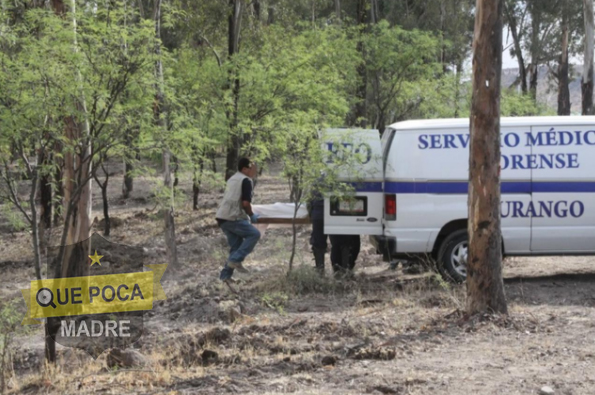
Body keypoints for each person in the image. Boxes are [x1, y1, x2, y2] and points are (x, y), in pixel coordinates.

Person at [216, 158, 260, 287]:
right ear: (245, 169)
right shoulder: (246, 180)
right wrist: (251, 215)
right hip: (233, 217)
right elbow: (245, 203)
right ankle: (235, 260)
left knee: (236, 246)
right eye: (253, 169)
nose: (255, 172)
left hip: (222, 217)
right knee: (254, 234)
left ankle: (225, 277)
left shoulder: (232, 178)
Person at [307, 178, 327, 273]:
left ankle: (320, 269)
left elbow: (309, 202)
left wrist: (312, 215)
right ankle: (342, 271)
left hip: (318, 214)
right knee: (340, 243)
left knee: (318, 243)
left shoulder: (317, 180)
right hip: (336, 214)